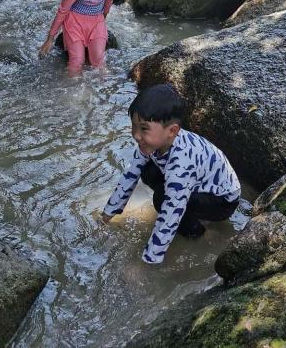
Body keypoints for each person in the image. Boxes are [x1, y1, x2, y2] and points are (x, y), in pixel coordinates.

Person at [101, 84, 241, 264]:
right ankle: (190, 208)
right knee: (148, 171)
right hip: (198, 183)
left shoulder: (182, 162)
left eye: (144, 129)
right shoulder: (150, 144)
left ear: (172, 131)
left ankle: (201, 233)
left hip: (222, 200)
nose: (136, 135)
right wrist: (105, 218)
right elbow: (129, 177)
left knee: (162, 199)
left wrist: (148, 261)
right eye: (134, 127)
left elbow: (170, 213)